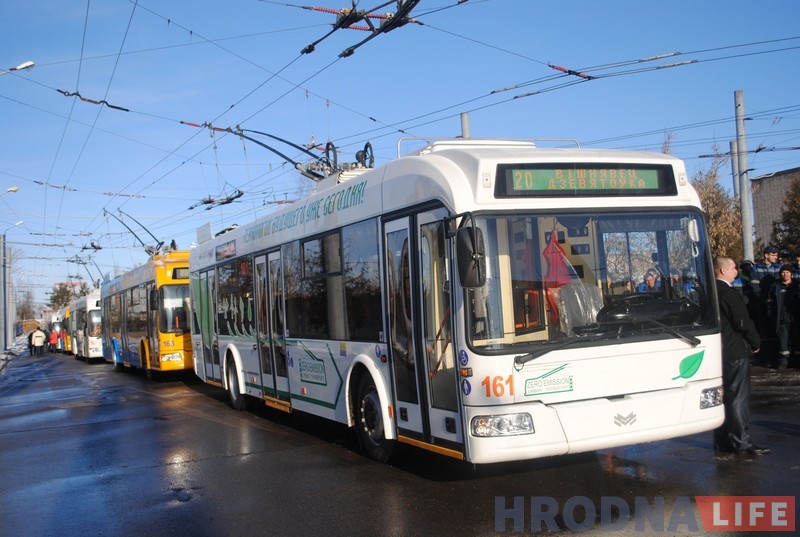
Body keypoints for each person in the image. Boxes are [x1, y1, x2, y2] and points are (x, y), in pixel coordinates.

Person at [714, 256, 770, 456]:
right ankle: (741, 441)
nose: (736, 271)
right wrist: (755, 341)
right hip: (735, 350)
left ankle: (723, 441)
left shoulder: (709, 292)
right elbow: (742, 321)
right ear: (723, 270)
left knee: (723, 398)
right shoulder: (727, 292)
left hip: (718, 352)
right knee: (737, 397)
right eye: (733, 268)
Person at [765, 264, 800, 369]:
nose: (785, 274)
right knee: (783, 341)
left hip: (795, 318)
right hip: (781, 318)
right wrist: (771, 314)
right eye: (783, 272)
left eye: (787, 272)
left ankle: (797, 360)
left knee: (796, 339)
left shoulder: (797, 286)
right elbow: (769, 302)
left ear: (791, 274)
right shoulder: (775, 286)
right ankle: (783, 361)